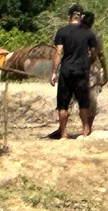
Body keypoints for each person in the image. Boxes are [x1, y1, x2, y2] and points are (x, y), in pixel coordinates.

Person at [52, 5, 102, 138]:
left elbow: (58, 52)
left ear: (69, 17)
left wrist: (54, 72)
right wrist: (87, 63)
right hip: (81, 71)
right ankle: (85, 131)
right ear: (81, 17)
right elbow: (94, 53)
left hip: (66, 70)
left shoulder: (62, 32)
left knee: (63, 104)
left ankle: (63, 133)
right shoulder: (88, 33)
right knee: (83, 103)